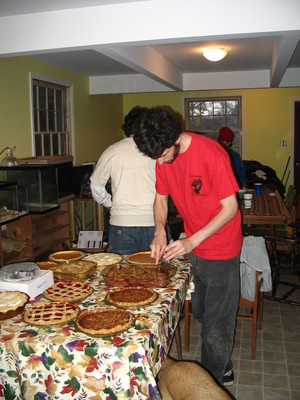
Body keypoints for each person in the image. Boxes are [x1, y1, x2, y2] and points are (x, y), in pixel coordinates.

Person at [133, 107, 243, 386]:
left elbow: (230, 208)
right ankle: (224, 364)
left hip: (221, 249)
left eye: (163, 154)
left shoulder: (211, 153)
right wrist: (160, 231)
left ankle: (211, 385)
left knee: (216, 328)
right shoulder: (162, 158)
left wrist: (191, 240)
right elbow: (160, 199)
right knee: (203, 314)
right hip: (194, 248)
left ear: (175, 138)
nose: (160, 161)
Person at [90, 106, 156, 254]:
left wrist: (109, 203)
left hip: (122, 223)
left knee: (122, 274)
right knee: (158, 273)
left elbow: (95, 186)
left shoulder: (113, 150)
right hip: (153, 222)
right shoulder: (156, 150)